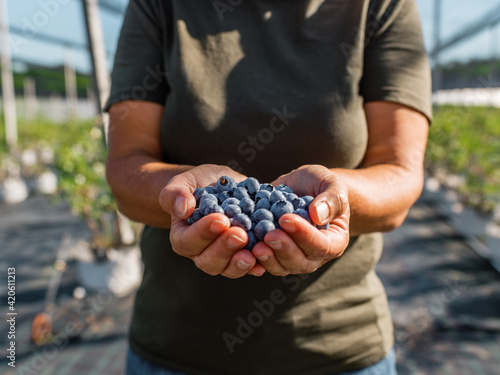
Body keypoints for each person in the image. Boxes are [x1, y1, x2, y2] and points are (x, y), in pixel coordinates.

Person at [105, 0, 432, 374]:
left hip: (339, 347)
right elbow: (126, 166)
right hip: (176, 347)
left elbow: (400, 172)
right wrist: (181, 196)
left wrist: (335, 198)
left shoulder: (381, 5)